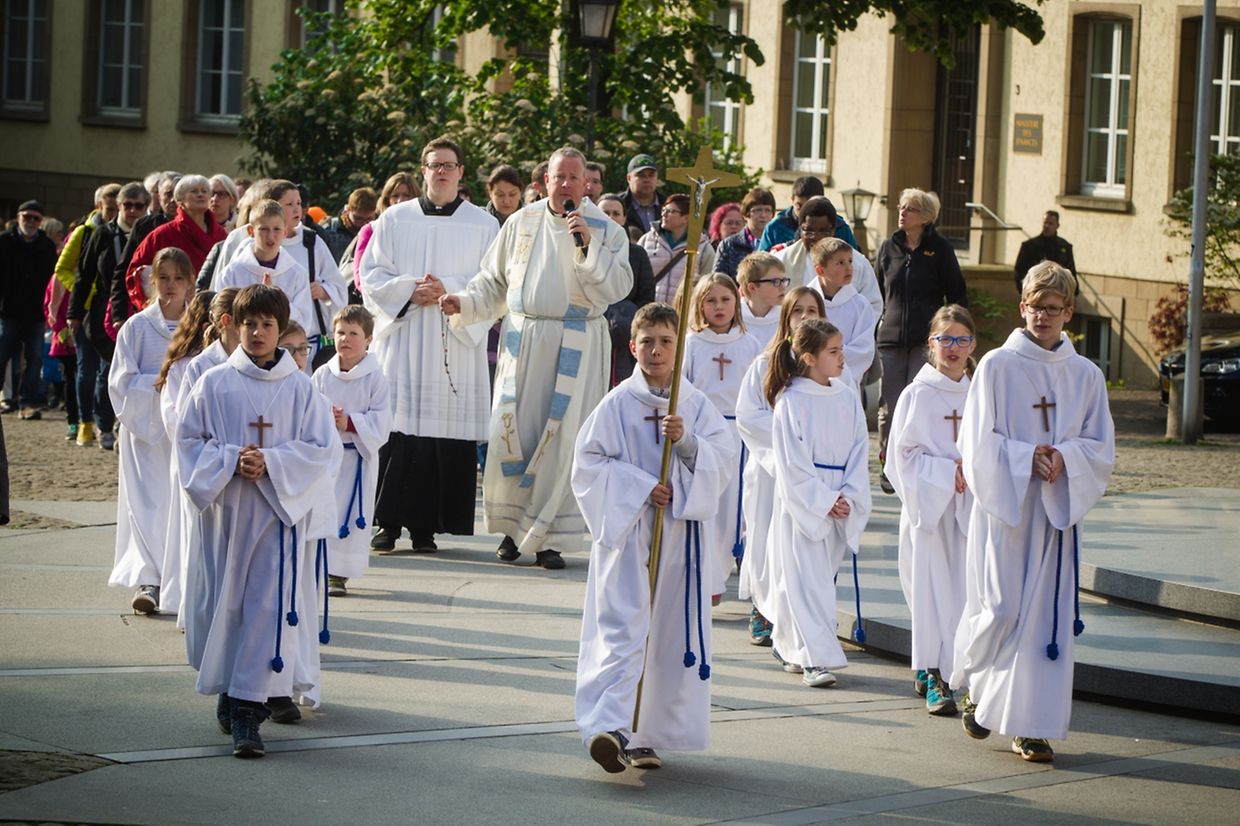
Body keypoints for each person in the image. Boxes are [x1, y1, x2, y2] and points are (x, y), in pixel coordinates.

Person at [951, 262, 1115, 764]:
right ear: (1022, 306)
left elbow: (1100, 445)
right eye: (1035, 305)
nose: (1043, 315)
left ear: (1069, 312)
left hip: (1056, 510)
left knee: (1045, 618)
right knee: (1001, 607)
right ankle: (975, 681)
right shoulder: (999, 366)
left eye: (1053, 307)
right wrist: (1027, 456)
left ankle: (1031, 726)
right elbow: (977, 441)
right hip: (1009, 506)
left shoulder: (1086, 375)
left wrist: (1066, 457)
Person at [440, 146, 633, 569]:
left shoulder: (603, 228)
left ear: (586, 184)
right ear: (544, 181)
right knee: (517, 433)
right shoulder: (520, 222)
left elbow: (619, 285)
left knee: (562, 439)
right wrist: (465, 302)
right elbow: (493, 280)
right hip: (523, 339)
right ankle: (513, 531)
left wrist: (587, 247)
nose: (565, 184)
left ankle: (550, 539)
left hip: (577, 342)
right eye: (557, 176)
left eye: (573, 178)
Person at [176, 284, 339, 758]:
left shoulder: (300, 389)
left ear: (281, 328)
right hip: (226, 516)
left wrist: (271, 462)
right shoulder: (214, 383)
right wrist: (230, 460)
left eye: (268, 324)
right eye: (250, 323)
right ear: (233, 325)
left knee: (266, 609)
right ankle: (231, 689)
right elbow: (188, 444)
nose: (259, 332)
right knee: (224, 608)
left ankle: (249, 710)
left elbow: (321, 451)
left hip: (274, 517)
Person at [572, 302, 735, 773]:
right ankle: (609, 728)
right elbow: (587, 467)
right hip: (629, 534)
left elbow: (722, 464)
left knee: (665, 633)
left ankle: (645, 734)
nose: (657, 350)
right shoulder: (617, 403)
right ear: (633, 347)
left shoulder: (695, 404)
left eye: (666, 341)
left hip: (678, 537)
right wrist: (643, 487)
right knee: (623, 628)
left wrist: (686, 444)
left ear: (678, 347)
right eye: (648, 342)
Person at [359, 136, 498, 553]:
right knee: (398, 432)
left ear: (460, 172)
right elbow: (371, 276)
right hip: (403, 340)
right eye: (434, 165)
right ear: (423, 170)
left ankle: (427, 528)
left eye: (449, 165)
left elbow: (493, 285)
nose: (441, 171)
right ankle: (388, 523)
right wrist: (409, 291)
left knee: (441, 433)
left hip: (453, 340)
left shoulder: (484, 225)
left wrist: (451, 292)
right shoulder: (394, 220)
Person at [766, 317, 871, 687]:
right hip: (805, 501)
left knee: (822, 580)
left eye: (842, 349)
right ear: (809, 357)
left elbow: (861, 447)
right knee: (805, 580)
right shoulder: (790, 402)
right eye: (834, 351)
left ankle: (795, 647)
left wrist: (849, 496)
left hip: (840, 494)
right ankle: (815, 659)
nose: (843, 357)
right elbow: (791, 462)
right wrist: (824, 499)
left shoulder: (846, 394)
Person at [883, 304, 976, 716]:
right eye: (945, 339)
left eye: (961, 339)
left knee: (965, 593)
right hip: (929, 513)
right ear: (930, 344)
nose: (953, 348)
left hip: (969, 511)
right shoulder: (917, 394)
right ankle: (934, 673)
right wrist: (945, 473)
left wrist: (973, 472)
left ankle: (963, 673)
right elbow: (899, 458)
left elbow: (993, 446)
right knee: (930, 594)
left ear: (973, 344)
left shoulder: (980, 393)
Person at [736, 287, 825, 647]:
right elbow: (748, 415)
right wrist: (785, 450)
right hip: (772, 469)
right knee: (765, 536)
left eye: (812, 310)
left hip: (813, 473)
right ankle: (762, 606)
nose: (805, 317)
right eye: (797, 311)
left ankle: (803, 609)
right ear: (785, 318)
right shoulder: (765, 363)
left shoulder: (830, 367)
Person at [107, 247, 194, 614]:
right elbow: (120, 382)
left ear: (190, 282)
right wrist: (158, 385)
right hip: (144, 431)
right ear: (151, 281)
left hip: (184, 428)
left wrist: (180, 394)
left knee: (179, 504)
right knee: (147, 503)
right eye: (163, 278)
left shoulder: (197, 328)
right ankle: (149, 579)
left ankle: (182, 578)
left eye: (177, 278)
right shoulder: (137, 327)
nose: (170, 285)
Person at [874, 188, 969, 493]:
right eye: (901, 207)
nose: (902, 213)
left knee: (916, 402)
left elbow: (956, 294)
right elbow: (876, 293)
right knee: (888, 407)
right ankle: (888, 465)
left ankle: (919, 461)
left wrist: (951, 332)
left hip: (926, 341)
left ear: (927, 217)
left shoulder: (940, 250)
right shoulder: (889, 247)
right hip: (889, 338)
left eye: (910, 209)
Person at [683, 274, 762, 600]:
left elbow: (758, 392)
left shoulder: (749, 344)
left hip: (738, 436)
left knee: (733, 511)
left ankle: (723, 571)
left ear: (737, 302)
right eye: (711, 300)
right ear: (699, 305)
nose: (719, 307)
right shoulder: (690, 343)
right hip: (702, 435)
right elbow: (683, 390)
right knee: (707, 506)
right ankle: (708, 580)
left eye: (725, 300)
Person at [173, 288, 240, 637]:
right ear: (227, 322)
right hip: (209, 470)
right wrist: (219, 460)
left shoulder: (254, 363)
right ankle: (198, 615)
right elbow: (188, 427)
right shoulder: (201, 366)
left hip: (243, 474)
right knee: (202, 548)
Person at [312, 305, 391, 597]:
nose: (345, 339)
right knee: (324, 509)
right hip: (326, 458)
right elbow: (307, 408)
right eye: (340, 332)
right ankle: (318, 564)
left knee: (349, 513)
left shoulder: (375, 378)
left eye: (353, 333)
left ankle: (339, 573)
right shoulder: (322, 374)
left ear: (368, 339)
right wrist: (325, 417)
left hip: (357, 458)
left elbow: (383, 421)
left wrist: (350, 422)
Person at [69, 181, 146, 448]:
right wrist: (74, 313)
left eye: (139, 206)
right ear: (118, 207)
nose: (133, 211)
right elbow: (84, 274)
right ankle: (99, 424)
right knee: (102, 370)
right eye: (127, 205)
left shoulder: (148, 232)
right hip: (104, 310)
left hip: (139, 311)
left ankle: (120, 420)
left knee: (125, 370)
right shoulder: (103, 234)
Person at [154, 291, 216, 619]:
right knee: (187, 530)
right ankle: (184, 600)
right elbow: (174, 414)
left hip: (220, 459)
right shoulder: (182, 365)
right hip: (192, 457)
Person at [121, 175, 227, 323]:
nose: (200, 194)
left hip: (210, 314)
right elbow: (136, 273)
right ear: (180, 201)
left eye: (204, 191)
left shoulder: (222, 235)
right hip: (170, 315)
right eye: (194, 191)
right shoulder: (162, 234)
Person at [216, 200, 316, 353]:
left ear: (285, 231)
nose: (271, 236)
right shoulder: (233, 272)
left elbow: (304, 323)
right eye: (263, 229)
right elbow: (222, 317)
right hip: (240, 352)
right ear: (251, 231)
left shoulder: (296, 273)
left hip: (282, 354)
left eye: (277, 229)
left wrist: (276, 300)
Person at [772, 196, 881, 321]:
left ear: (833, 231)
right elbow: (772, 303)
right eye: (809, 231)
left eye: (823, 231)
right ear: (800, 229)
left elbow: (873, 305)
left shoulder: (857, 262)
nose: (816, 237)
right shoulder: (781, 260)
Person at [0, 201, 59, 418]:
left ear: (41, 221)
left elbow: (52, 280)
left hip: (35, 313)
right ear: (18, 217)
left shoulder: (46, 246)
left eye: (36, 218)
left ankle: (27, 402)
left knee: (35, 359)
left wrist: (49, 309)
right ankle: (6, 398)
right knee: (2, 355)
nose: (31, 222)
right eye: (27, 217)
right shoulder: (4, 241)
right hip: (8, 311)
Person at [599, 193, 655, 385]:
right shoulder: (582, 247)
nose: (611, 218)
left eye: (616, 213)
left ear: (624, 217)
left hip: (626, 334)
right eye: (605, 213)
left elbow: (646, 296)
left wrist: (627, 319)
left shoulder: (637, 254)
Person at [809, 237, 876, 389]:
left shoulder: (860, 305)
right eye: (840, 263)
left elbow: (863, 350)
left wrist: (826, 357)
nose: (849, 268)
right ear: (820, 270)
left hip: (845, 385)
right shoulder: (806, 301)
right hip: (809, 381)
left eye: (850, 261)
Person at [346, 171, 420, 296]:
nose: (400, 201)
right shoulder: (370, 230)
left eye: (406, 195)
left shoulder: (425, 230)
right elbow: (361, 280)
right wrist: (400, 297)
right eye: (395, 196)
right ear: (386, 200)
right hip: (381, 306)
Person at [640, 193, 717, 305]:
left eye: (670, 211)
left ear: (686, 218)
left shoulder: (704, 248)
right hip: (649, 312)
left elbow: (707, 285)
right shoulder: (647, 240)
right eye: (664, 210)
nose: (664, 215)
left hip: (683, 314)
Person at [758, 177, 857, 252]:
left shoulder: (840, 228)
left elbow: (854, 262)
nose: (804, 213)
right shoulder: (775, 227)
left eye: (810, 207)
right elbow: (762, 263)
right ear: (792, 199)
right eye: (799, 206)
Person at [43, 271, 79, 440]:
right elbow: (48, 308)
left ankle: (91, 420)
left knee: (87, 380)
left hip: (85, 336)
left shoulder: (88, 274)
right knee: (70, 380)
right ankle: (73, 422)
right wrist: (63, 332)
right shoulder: (57, 278)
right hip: (65, 341)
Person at [716, 188, 776, 278]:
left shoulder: (778, 243)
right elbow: (718, 279)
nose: (763, 215)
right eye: (758, 210)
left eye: (767, 210)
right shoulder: (729, 245)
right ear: (745, 214)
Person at [1014, 210, 1077, 294]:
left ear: (1057, 226)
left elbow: (1071, 271)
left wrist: (1074, 293)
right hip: (1036, 291)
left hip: (1059, 292)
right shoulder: (1030, 246)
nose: (1047, 226)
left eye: (1050, 223)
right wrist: (1024, 291)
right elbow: (1019, 271)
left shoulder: (1064, 246)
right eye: (1045, 223)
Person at [736, 252, 787, 350]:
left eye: (783, 280)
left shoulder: (786, 317)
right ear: (752, 288)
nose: (783, 287)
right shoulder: (733, 318)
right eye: (776, 282)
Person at [321, 187, 378, 264]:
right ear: (347, 210)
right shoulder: (330, 230)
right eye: (358, 218)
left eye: (369, 219)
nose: (364, 224)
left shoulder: (381, 228)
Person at [616, 153, 664, 242]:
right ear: (629, 178)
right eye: (641, 175)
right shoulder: (617, 205)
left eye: (651, 175)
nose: (647, 180)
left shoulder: (667, 205)